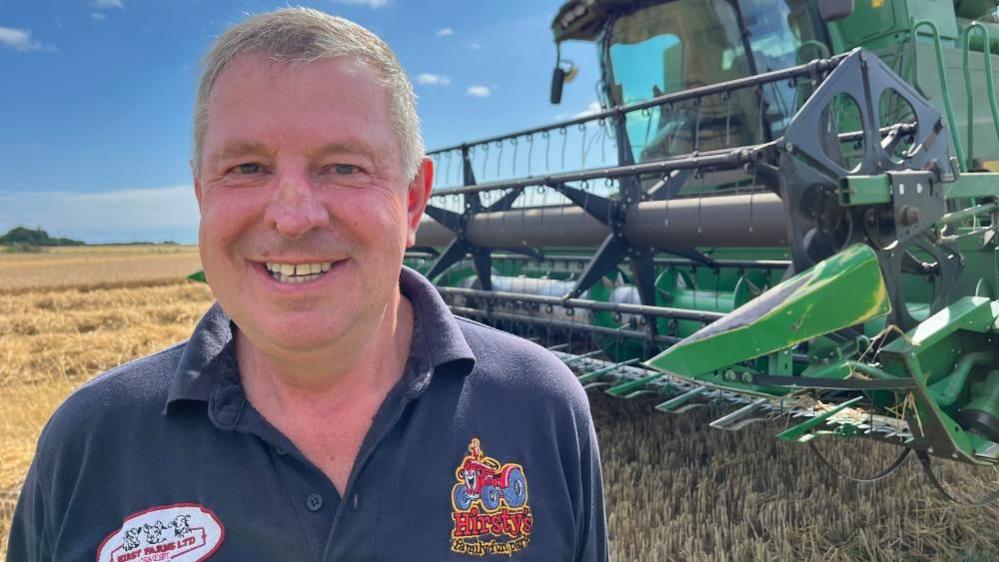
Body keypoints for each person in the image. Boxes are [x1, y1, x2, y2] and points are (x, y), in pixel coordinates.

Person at [6, 7, 607, 561]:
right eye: (247, 168)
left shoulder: (541, 410)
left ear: (413, 199)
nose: (293, 217)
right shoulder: (90, 445)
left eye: (343, 167)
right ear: (200, 194)